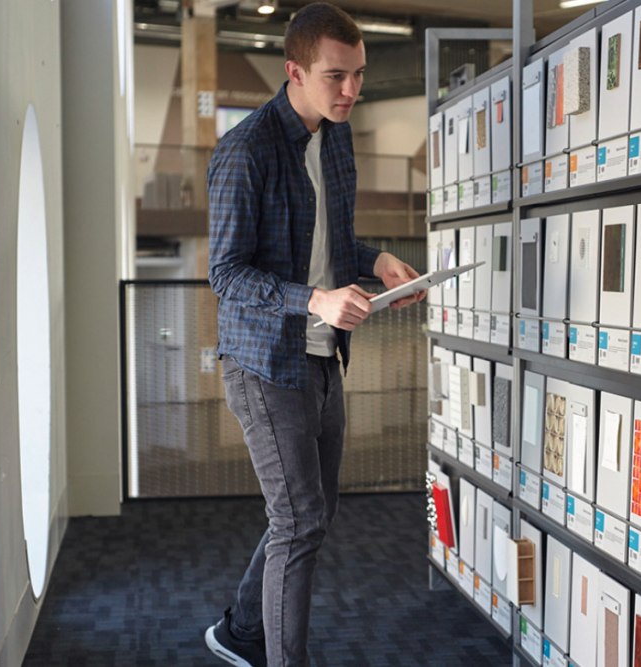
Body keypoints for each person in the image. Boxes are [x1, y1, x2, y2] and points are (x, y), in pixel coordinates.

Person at [203, 4, 424, 666]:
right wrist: (317, 300)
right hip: (265, 361)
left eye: (358, 75)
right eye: (336, 76)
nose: (351, 90)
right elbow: (227, 273)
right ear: (294, 72)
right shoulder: (245, 149)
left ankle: (242, 629)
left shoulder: (335, 136)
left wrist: (374, 259)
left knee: (310, 511)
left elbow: (322, 243)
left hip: (324, 356)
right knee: (299, 521)